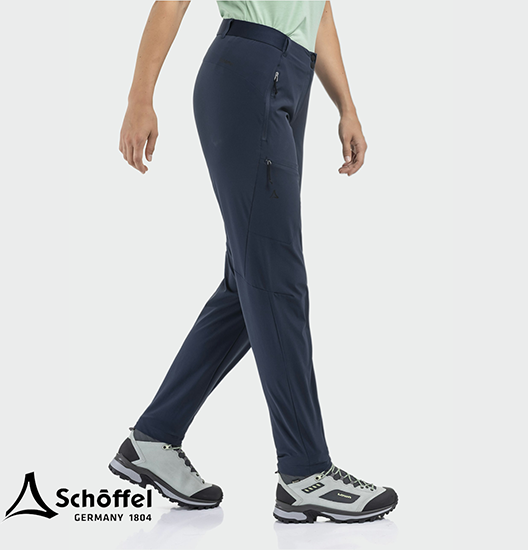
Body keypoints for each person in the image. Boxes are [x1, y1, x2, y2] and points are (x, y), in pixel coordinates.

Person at [109, 1, 398, 524]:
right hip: (248, 69)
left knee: (249, 285)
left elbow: (318, 10)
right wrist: (140, 97)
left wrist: (347, 106)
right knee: (275, 277)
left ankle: (154, 437)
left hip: (292, 78)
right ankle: (306, 472)